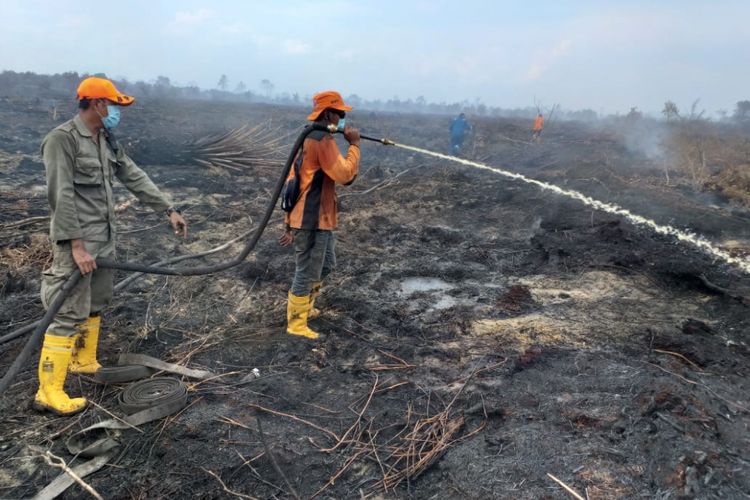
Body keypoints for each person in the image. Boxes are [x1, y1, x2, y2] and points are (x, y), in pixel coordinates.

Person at [35, 77, 188, 415]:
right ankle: (48, 391)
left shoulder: (105, 139)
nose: (117, 111)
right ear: (97, 104)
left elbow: (133, 175)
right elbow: (60, 196)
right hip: (78, 242)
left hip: (104, 240)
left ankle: (83, 359)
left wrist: (168, 209)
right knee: (67, 311)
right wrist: (76, 245)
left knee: (97, 301)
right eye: (114, 105)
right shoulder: (62, 140)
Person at [279, 91, 360, 340]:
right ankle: (296, 324)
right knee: (306, 271)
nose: (342, 118)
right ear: (327, 114)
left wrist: (288, 221)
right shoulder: (321, 140)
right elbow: (344, 175)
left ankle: (307, 308)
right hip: (311, 219)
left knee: (326, 266)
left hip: (318, 218)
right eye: (340, 113)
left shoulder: (312, 137)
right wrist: (354, 145)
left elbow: (295, 180)